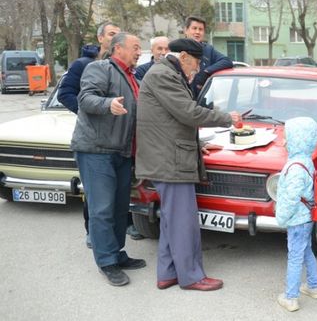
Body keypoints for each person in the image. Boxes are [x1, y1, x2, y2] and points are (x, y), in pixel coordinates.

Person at [135, 38, 240, 291]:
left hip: (169, 155)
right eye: (195, 63)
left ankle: (168, 272)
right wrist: (227, 118)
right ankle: (192, 276)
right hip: (170, 160)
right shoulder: (164, 75)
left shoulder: (164, 72)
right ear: (183, 57)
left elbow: (172, 119)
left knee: (172, 220)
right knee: (183, 222)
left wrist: (197, 144)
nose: (196, 69)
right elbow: (188, 113)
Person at [70, 32, 146, 287]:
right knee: (102, 210)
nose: (139, 51)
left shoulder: (132, 76)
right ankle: (106, 262)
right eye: (135, 47)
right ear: (118, 49)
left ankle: (117, 254)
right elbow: (85, 98)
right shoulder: (99, 68)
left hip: (121, 151)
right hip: (96, 150)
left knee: (118, 208)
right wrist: (108, 103)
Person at [58, 22, 127, 249]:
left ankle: (113, 245)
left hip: (116, 143)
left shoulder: (123, 69)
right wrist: (91, 115)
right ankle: (94, 236)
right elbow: (67, 94)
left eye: (119, 34)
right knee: (99, 202)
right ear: (101, 39)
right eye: (111, 34)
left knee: (113, 201)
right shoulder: (85, 64)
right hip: (95, 142)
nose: (115, 37)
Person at [275, 117, 317, 312]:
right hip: (306, 218)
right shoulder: (306, 161)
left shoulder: (294, 167)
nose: (284, 142)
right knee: (306, 251)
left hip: (297, 220)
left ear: (298, 140)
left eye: (288, 138)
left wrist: (281, 217)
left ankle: (291, 297)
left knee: (294, 256)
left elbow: (291, 197)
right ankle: (314, 286)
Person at [183, 15, 233, 96]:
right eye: (194, 28)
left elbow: (227, 61)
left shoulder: (208, 50)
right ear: (186, 30)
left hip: (203, 99)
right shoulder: (177, 49)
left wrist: (206, 72)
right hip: (183, 100)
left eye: (200, 29)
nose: (197, 32)